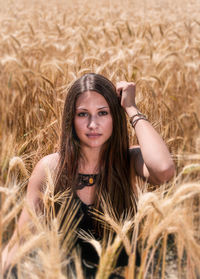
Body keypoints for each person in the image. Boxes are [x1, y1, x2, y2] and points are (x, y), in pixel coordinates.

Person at [2, 73, 175, 277]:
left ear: (115, 117)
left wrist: (131, 108)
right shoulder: (51, 169)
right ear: (71, 119)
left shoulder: (130, 161)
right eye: (83, 114)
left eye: (103, 113)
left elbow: (164, 170)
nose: (93, 124)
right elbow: (20, 241)